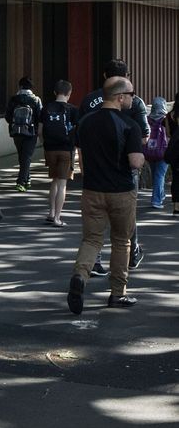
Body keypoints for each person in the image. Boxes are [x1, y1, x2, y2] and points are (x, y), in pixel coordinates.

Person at [67, 75, 144, 314]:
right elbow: (134, 161)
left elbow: (80, 152)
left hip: (91, 189)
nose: (133, 97)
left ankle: (80, 276)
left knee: (91, 240)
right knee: (122, 241)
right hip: (121, 191)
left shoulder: (86, 122)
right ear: (120, 97)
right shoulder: (130, 125)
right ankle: (117, 294)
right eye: (131, 94)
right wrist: (141, 158)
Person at [77, 59, 146, 273]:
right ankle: (130, 259)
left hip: (94, 174)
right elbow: (143, 138)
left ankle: (89, 266)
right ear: (127, 76)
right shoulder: (134, 103)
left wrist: (82, 165)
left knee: (92, 234)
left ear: (105, 76)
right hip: (123, 176)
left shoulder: (89, 100)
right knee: (123, 232)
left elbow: (80, 139)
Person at [39, 80, 79, 226]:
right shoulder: (73, 110)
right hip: (66, 150)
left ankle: (50, 212)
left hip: (50, 149)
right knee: (62, 184)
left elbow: (40, 131)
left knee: (54, 181)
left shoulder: (46, 108)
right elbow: (76, 130)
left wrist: (45, 144)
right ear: (69, 93)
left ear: (55, 92)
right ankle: (57, 218)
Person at [6, 76, 43, 191]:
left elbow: (8, 117)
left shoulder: (13, 99)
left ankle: (27, 179)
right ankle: (21, 182)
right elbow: (40, 117)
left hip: (16, 131)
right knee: (26, 156)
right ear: (32, 87)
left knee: (22, 156)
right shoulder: (36, 100)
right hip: (31, 132)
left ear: (20, 86)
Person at [145, 95, 170, 209]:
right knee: (160, 175)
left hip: (150, 151)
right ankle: (156, 200)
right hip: (163, 151)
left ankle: (161, 194)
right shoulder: (166, 119)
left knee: (157, 175)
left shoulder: (147, 119)